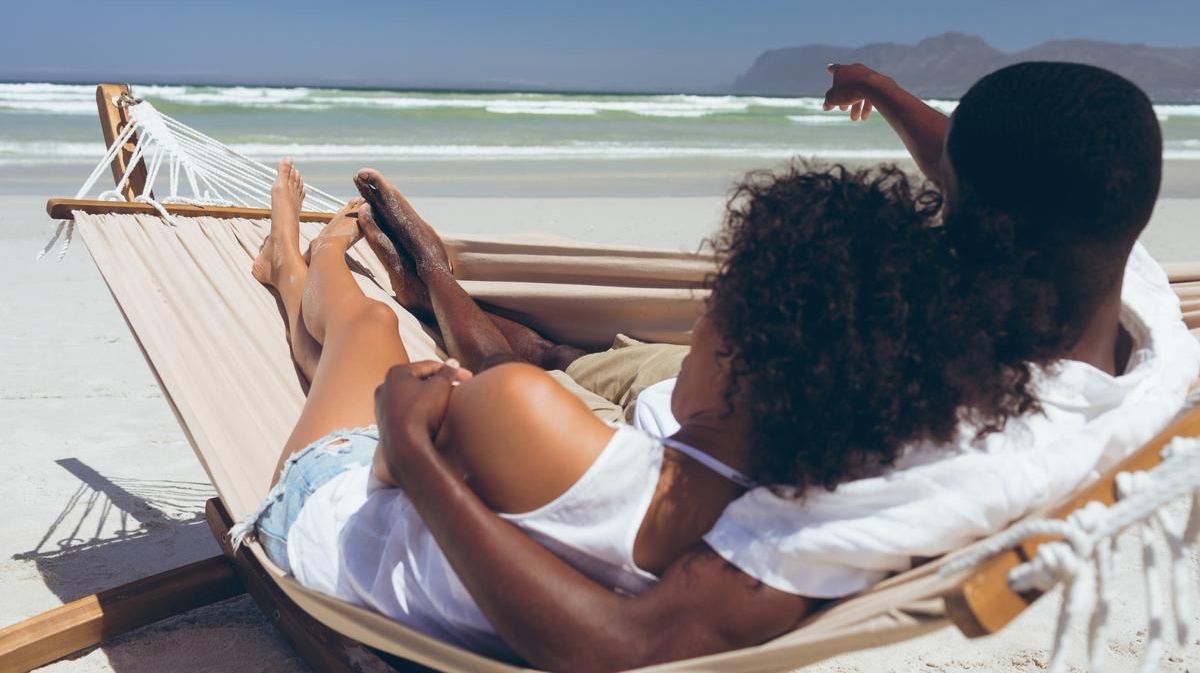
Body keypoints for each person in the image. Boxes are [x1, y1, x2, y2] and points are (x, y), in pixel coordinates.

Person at [362, 61, 1200, 670]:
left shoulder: (952, 471)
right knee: (570, 356)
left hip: (689, 439)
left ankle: (438, 286)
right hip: (769, 383)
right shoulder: (1137, 299)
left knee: (535, 369)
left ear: (980, 223)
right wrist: (890, 95)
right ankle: (470, 307)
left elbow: (630, 647)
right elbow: (981, 165)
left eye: (949, 195)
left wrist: (413, 459)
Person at [233, 156, 1049, 661]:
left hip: (324, 522)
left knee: (369, 330)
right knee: (351, 359)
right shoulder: (790, 527)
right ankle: (306, 281)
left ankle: (307, 263)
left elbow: (384, 466)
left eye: (710, 318)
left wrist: (417, 425)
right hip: (455, 565)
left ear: (736, 356)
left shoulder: (526, 409)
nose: (693, 334)